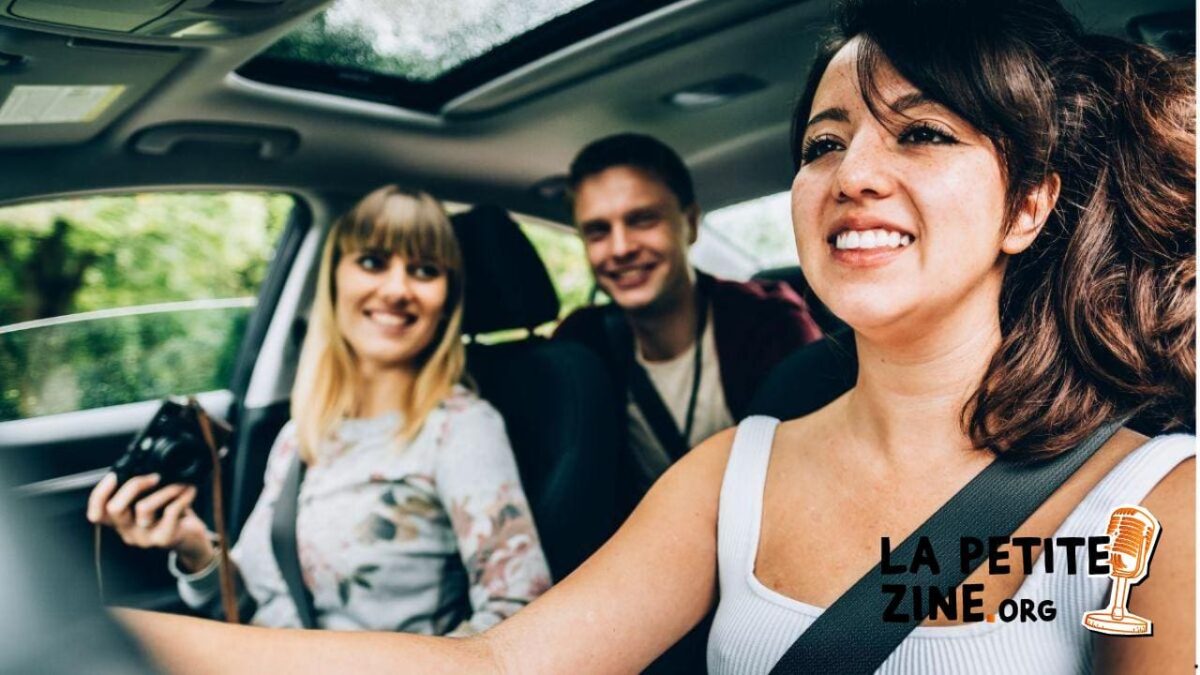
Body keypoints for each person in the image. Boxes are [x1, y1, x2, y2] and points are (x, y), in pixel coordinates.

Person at [116, 0, 1195, 672]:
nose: (854, 171)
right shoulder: (731, 474)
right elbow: (500, 668)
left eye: (921, 132)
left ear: (1028, 206)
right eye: (824, 142)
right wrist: (100, 642)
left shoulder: (1156, 505)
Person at [88, 185, 551, 635]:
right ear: (334, 280)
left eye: (425, 270)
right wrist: (192, 547)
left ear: (448, 299)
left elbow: (518, 621)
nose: (396, 289)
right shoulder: (302, 432)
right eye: (373, 262)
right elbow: (254, 604)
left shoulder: (461, 429)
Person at [554, 133, 824, 508]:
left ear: (691, 223)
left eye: (642, 220)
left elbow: (815, 469)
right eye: (598, 231)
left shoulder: (769, 324)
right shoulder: (579, 348)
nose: (620, 248)